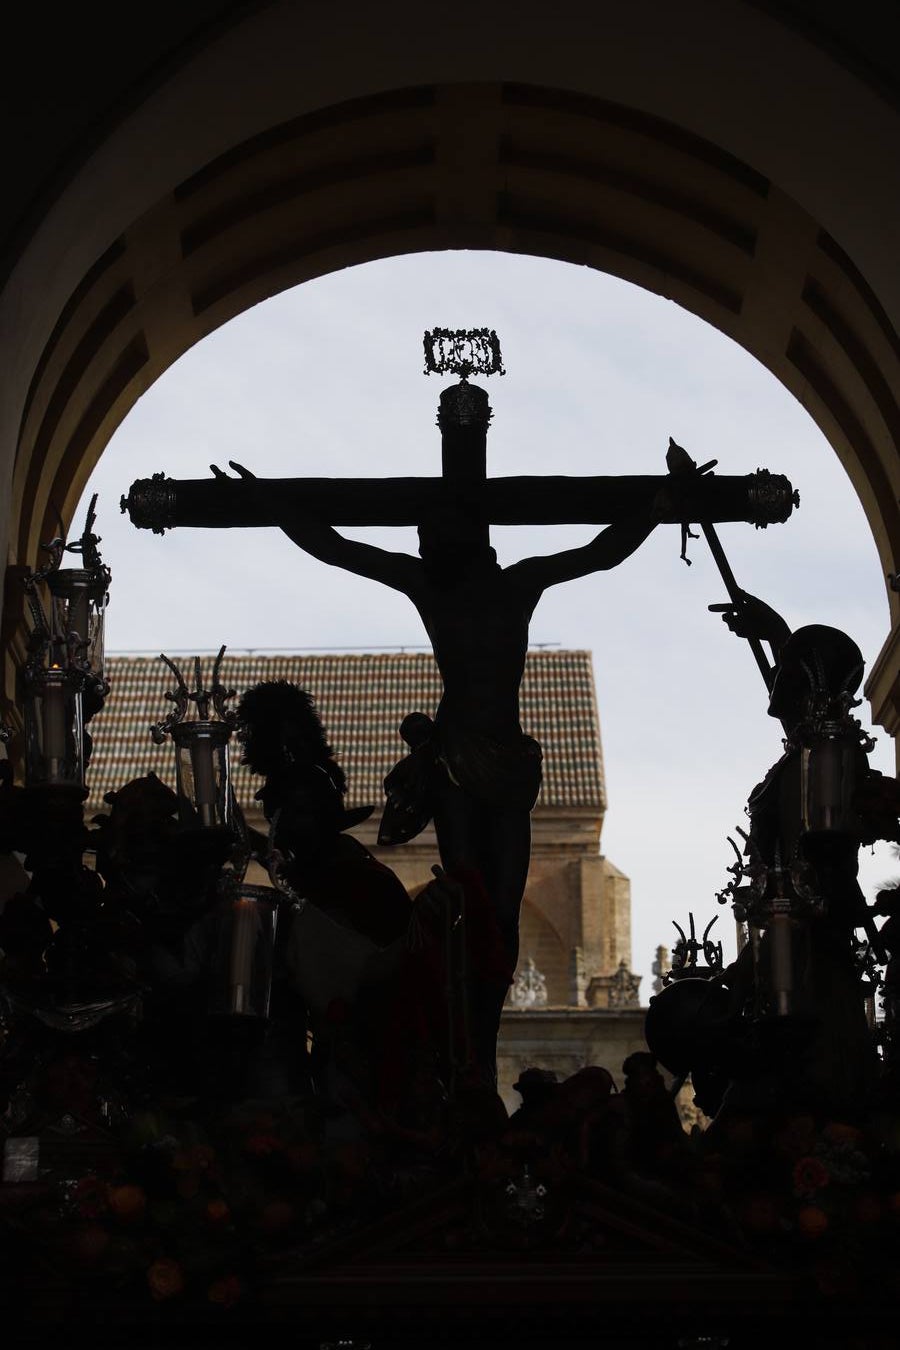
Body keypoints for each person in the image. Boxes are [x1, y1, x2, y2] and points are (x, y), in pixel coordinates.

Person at [215, 459, 669, 1081]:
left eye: (434, 535)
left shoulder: (515, 583)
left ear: (469, 535)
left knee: (502, 910)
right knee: (465, 900)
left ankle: (479, 1036)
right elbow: (336, 547)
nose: (425, 545)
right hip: (453, 758)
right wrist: (267, 500)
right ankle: (464, 1046)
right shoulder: (436, 585)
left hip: (509, 762)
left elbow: (604, 551)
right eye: (424, 539)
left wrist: (664, 499)